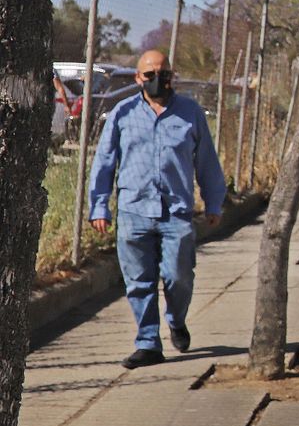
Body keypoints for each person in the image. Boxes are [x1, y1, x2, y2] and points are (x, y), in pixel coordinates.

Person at [89, 49, 226, 369]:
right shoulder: (123, 114)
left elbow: (206, 162)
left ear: (172, 76)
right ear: (138, 78)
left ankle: (176, 320)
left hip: (175, 212)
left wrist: (214, 201)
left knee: (180, 277)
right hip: (133, 209)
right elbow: (104, 162)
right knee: (139, 281)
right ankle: (148, 342)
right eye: (149, 75)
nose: (157, 80)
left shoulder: (191, 113)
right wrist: (99, 206)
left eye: (163, 74)